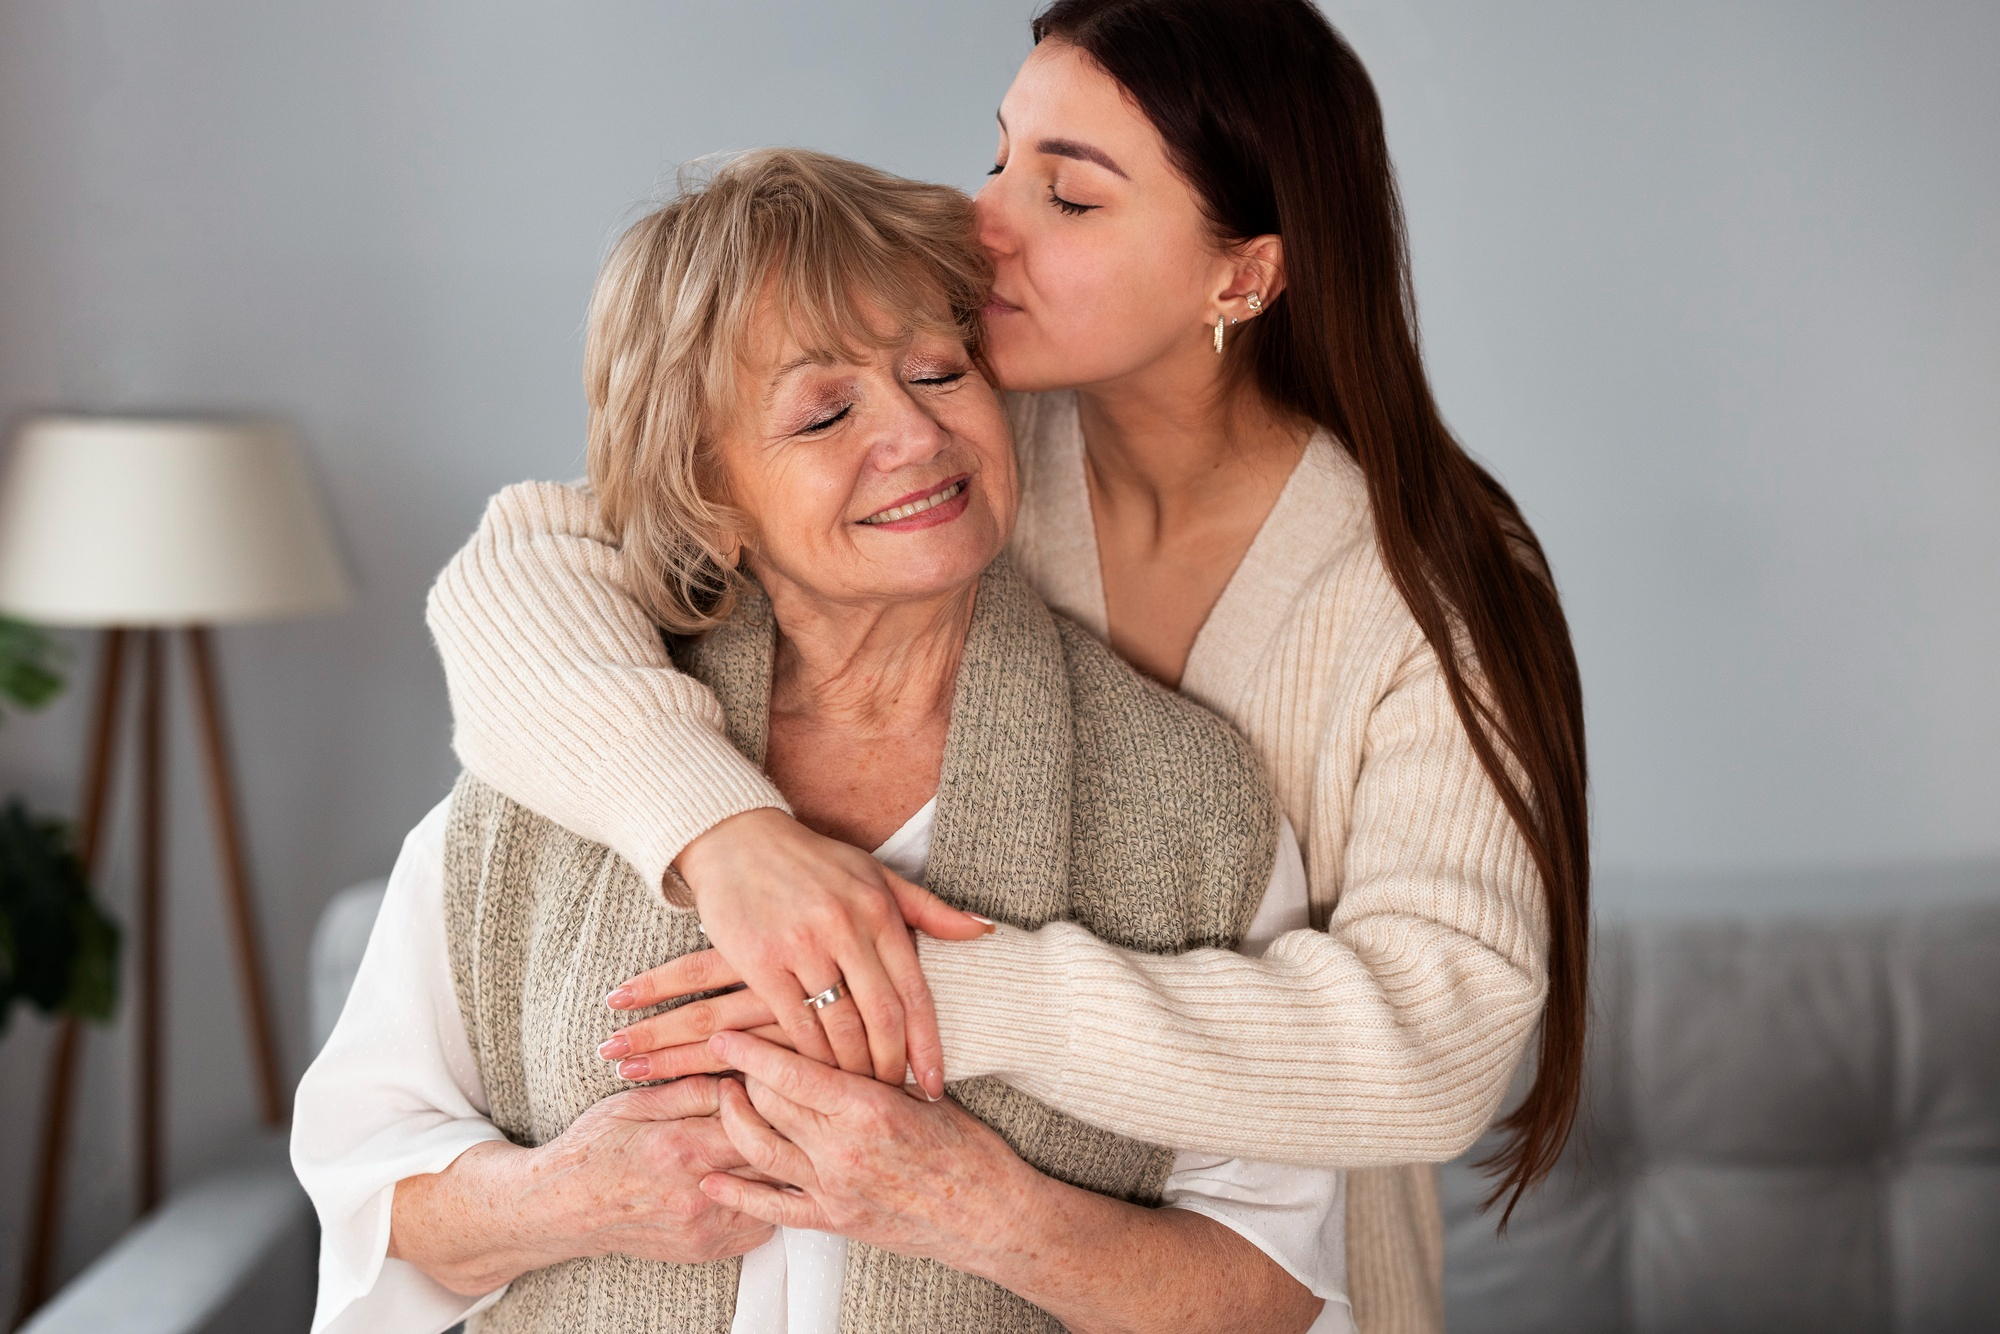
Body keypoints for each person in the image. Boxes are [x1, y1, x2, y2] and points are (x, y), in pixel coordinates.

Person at [426, 2, 1590, 1330]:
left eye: (1069, 195)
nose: (985, 222)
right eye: (998, 157)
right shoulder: (956, 453)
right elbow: (523, 566)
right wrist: (723, 829)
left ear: (1244, 276)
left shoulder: (1427, 578)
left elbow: (1434, 1051)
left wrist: (927, 998)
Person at [295, 148, 1347, 1334]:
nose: (913, 432)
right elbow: (369, 1185)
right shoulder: (549, 766)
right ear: (708, 489)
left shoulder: (1191, 807)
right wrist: (565, 1197)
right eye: (825, 410)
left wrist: (980, 1208)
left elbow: (1275, 1285)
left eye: (939, 372)